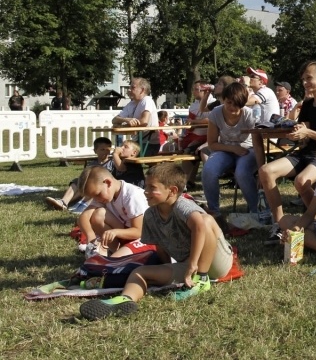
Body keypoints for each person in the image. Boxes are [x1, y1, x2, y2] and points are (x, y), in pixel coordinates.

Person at [79, 164, 233, 320]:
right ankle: (126, 299)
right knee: (139, 272)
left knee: (205, 220)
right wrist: (165, 269)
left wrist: (194, 264)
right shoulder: (150, 215)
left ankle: (202, 279)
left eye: (152, 187)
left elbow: (199, 227)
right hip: (187, 266)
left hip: (215, 262)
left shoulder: (181, 205)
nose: (145, 191)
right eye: (146, 186)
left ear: (172, 191)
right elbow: (160, 246)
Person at [259, 61, 316, 223]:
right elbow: (304, 133)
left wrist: (308, 132)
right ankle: (279, 223)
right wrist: (297, 135)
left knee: (301, 181)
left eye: (309, 78)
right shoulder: (306, 104)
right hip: (305, 153)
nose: (305, 82)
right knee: (265, 171)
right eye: (303, 79)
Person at [201, 82, 260, 225]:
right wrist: (233, 149)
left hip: (247, 149)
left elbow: (257, 143)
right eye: (229, 102)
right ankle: (214, 212)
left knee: (242, 172)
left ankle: (257, 211)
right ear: (223, 99)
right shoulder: (216, 113)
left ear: (243, 104)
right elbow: (212, 143)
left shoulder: (249, 114)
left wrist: (261, 167)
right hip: (225, 149)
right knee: (208, 170)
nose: (232, 107)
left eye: (237, 104)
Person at [76, 165, 148, 257]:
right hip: (125, 235)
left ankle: (118, 254)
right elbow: (84, 217)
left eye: (97, 194)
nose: (96, 199)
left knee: (112, 262)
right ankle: (115, 251)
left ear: (108, 183)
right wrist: (90, 237)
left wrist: (115, 232)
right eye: (93, 197)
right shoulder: (104, 194)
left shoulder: (132, 195)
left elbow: (139, 232)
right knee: (98, 215)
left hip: (144, 239)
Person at [45, 137, 114, 212]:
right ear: (95, 151)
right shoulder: (92, 164)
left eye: (108, 149)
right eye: (102, 149)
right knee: (77, 181)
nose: (105, 152)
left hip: (102, 186)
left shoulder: (112, 163)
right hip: (89, 185)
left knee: (93, 185)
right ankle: (64, 202)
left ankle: (81, 204)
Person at [113, 77, 160, 156]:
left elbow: (144, 122)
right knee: (116, 154)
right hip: (136, 143)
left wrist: (123, 125)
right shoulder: (131, 104)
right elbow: (114, 120)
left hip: (148, 144)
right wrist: (126, 120)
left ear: (142, 90)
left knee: (121, 155)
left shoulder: (147, 100)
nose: (129, 90)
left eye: (133, 87)